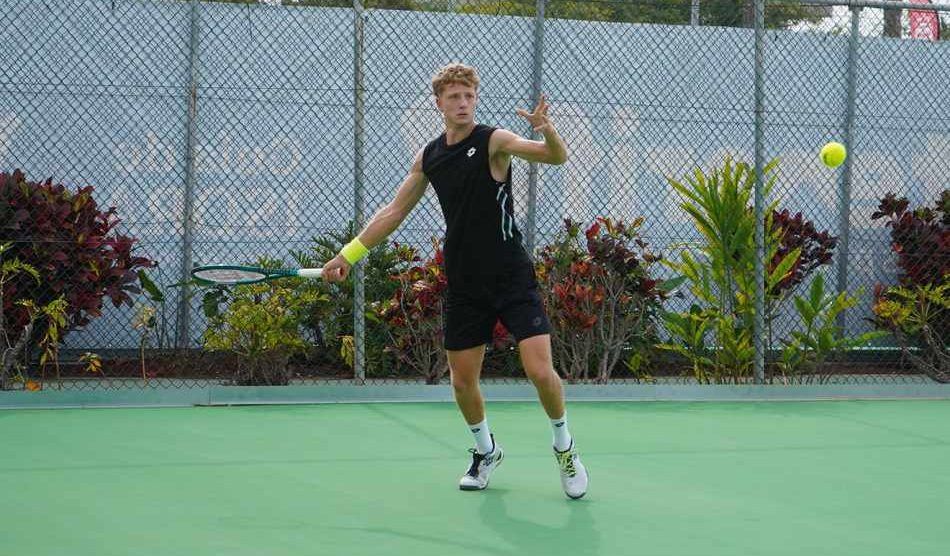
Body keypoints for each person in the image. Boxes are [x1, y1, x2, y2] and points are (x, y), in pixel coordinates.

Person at [322, 63, 588, 500]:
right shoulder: (430, 156)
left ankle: (565, 447)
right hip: (465, 281)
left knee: (540, 370)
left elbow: (554, 157)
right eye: (454, 97)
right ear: (440, 103)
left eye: (468, 95)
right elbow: (392, 212)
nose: (462, 103)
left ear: (475, 98)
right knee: (462, 381)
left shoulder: (494, 141)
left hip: (511, 275)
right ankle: (486, 452)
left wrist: (548, 130)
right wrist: (347, 255)